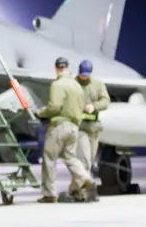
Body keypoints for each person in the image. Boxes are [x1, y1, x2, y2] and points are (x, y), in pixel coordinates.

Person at [35, 57, 99, 203]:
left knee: (49, 159)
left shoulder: (57, 84)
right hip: (74, 127)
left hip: (59, 126)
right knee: (70, 157)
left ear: (56, 68)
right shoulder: (76, 86)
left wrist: (40, 113)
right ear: (68, 68)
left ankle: (49, 194)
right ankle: (86, 179)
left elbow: (55, 107)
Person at [75, 60, 110, 173]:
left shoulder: (98, 85)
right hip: (80, 127)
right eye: (82, 74)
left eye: (86, 75)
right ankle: (83, 188)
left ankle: (81, 185)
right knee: (84, 160)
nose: (84, 77)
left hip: (93, 128)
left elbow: (105, 101)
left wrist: (94, 106)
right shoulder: (73, 84)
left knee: (90, 159)